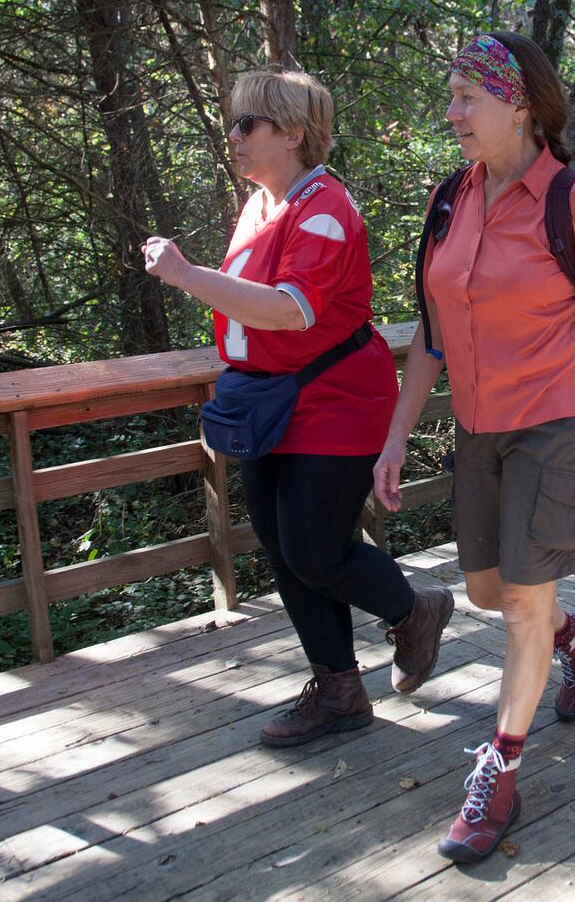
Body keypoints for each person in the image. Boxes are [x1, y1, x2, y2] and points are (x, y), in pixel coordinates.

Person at [372, 32, 575, 863]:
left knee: (522, 602)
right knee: (487, 591)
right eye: (450, 97)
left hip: (560, 424)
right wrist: (397, 432)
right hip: (481, 428)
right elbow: (432, 335)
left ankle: (499, 774)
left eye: (465, 99)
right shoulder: (449, 199)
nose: (451, 115)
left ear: (517, 104)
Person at [144, 67, 453, 749]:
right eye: (234, 122)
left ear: (292, 133)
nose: (233, 136)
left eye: (247, 123)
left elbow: (290, 311)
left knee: (315, 550)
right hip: (266, 401)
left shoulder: (324, 209)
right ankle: (340, 691)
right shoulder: (260, 205)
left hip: (336, 401)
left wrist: (189, 275)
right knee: (287, 553)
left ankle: (416, 610)